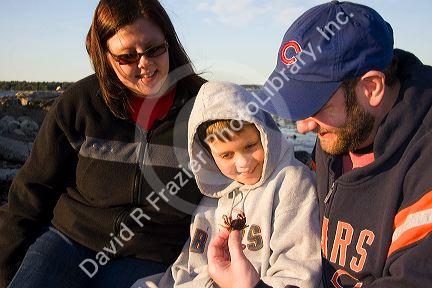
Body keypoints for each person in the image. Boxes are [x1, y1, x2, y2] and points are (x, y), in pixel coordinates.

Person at [207, 1, 432, 288]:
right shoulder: (341, 134)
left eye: (315, 105)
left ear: (371, 87)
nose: (303, 126)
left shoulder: (422, 164)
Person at [0, 0, 206, 287]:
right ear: (105, 56)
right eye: (127, 57)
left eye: (154, 49)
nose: (144, 63)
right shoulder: (79, 103)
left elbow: (254, 157)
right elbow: (32, 189)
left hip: (150, 254)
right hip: (68, 240)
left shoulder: (206, 107)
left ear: (169, 42)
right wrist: (7, 269)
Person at [131, 82, 322, 288]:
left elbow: (298, 275)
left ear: (264, 134)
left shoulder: (291, 183)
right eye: (226, 154)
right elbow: (186, 270)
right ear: (208, 155)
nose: (243, 163)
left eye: (250, 146)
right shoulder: (210, 200)